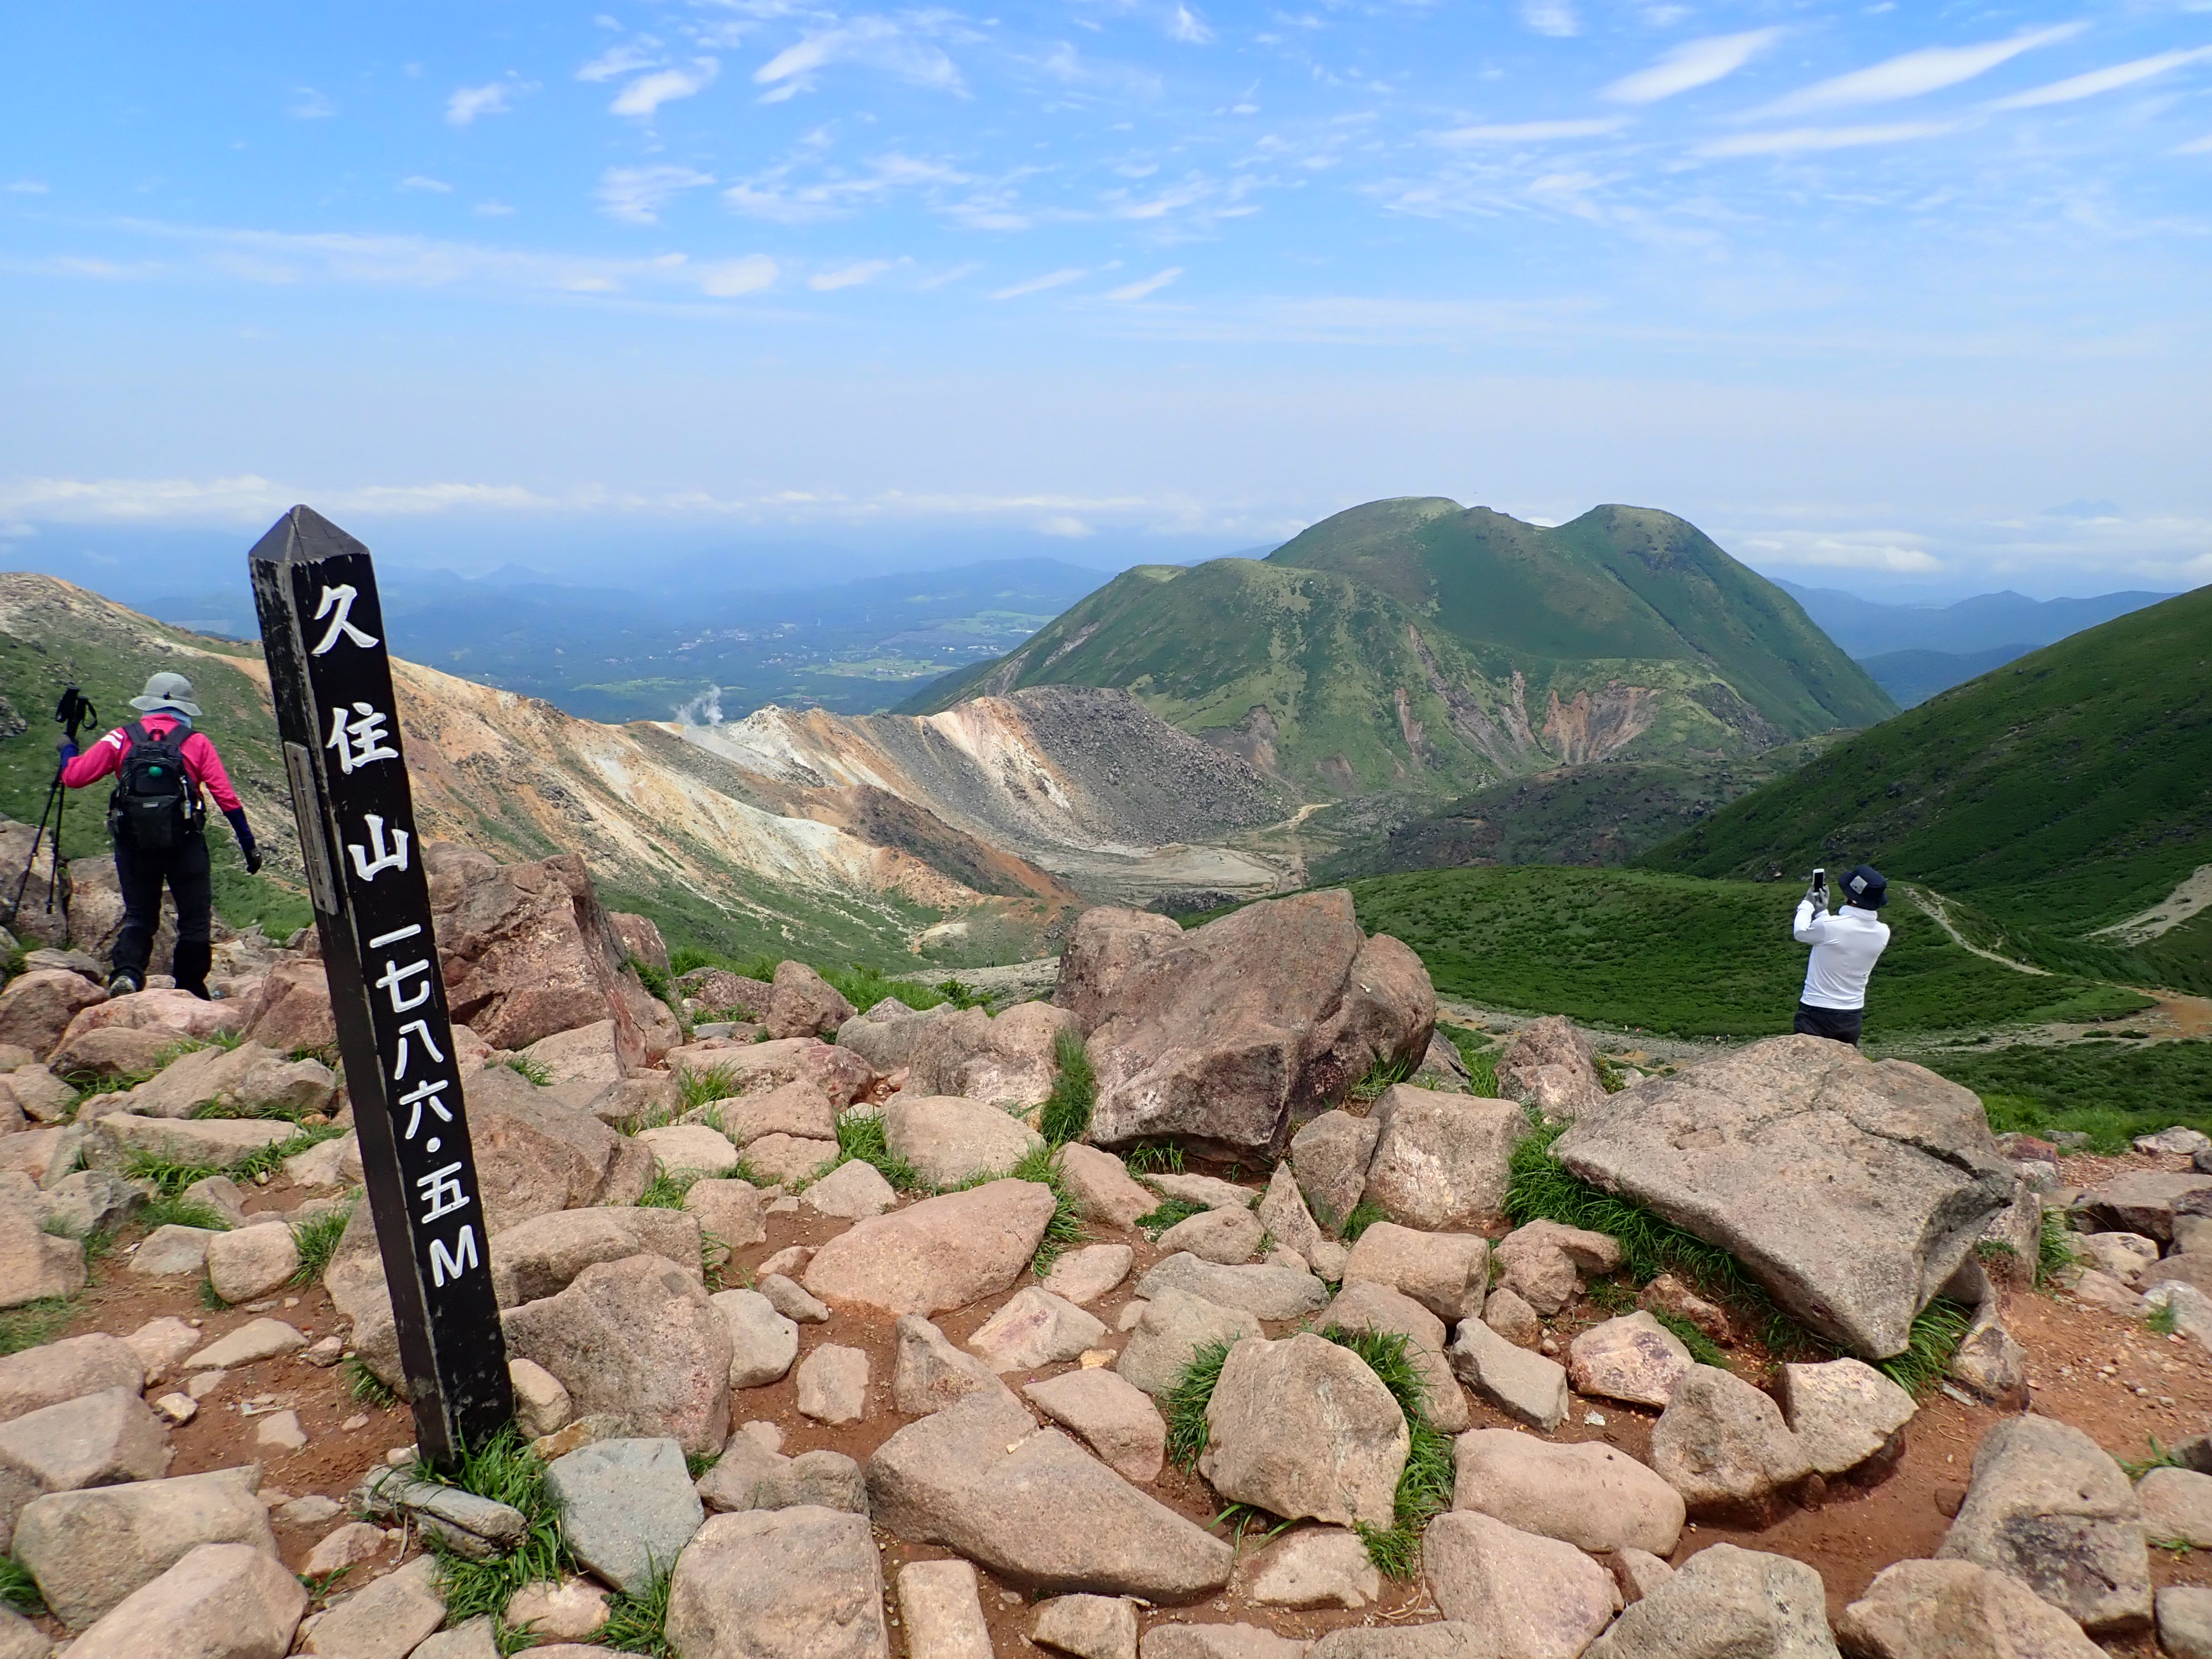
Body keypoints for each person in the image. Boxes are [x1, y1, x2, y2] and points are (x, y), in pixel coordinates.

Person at [58, 671, 260, 999]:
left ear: (147, 704)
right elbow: (227, 798)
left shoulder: (121, 738)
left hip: (134, 843)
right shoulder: (197, 743)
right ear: (186, 708)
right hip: (185, 843)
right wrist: (249, 845)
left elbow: (74, 777)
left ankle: (127, 974)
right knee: (194, 919)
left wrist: (67, 750)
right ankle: (191, 988)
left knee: (140, 914)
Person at [1791, 863, 1890, 1046]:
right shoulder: (1883, 932)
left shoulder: (1830, 927)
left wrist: (1808, 904)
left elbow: (1801, 932)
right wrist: (1823, 913)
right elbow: (1839, 937)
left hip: (1816, 1012)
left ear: (1851, 897)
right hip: (1852, 1015)